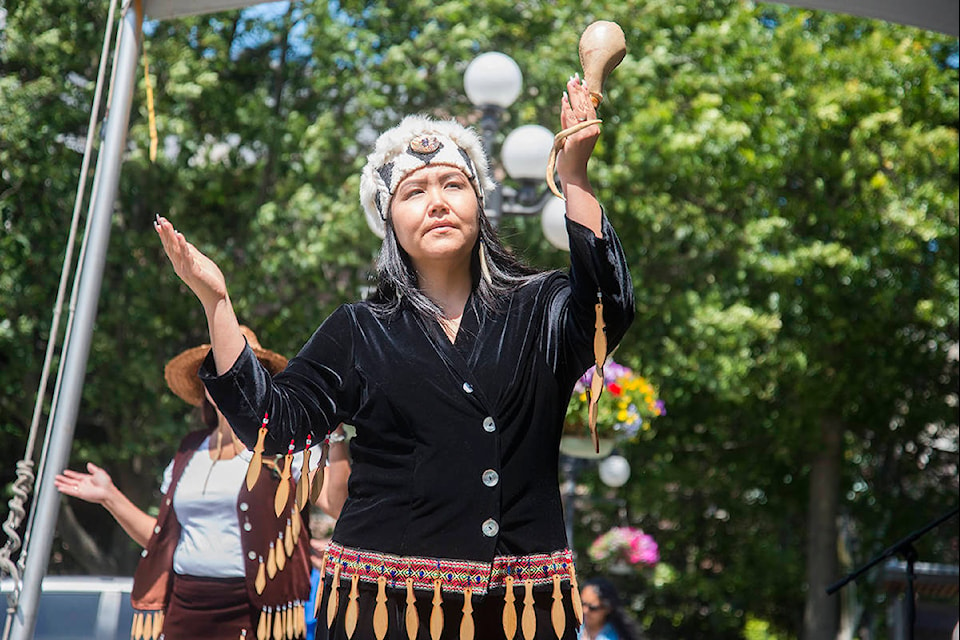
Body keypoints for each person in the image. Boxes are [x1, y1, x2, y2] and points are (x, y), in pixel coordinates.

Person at [155, 72, 634, 640]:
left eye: (453, 185)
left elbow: (608, 306)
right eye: (414, 192)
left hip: (521, 608)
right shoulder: (360, 328)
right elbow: (273, 426)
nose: (436, 203)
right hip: (383, 609)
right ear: (389, 220)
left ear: (479, 203)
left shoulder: (539, 306)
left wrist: (573, 175)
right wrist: (218, 301)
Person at [55, 327, 319, 640]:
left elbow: (332, 498)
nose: (226, 378)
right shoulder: (190, 450)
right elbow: (162, 540)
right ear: (206, 386)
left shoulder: (283, 446)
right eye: (217, 370)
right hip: (185, 606)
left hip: (257, 611)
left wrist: (337, 429)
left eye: (236, 368)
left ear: (258, 378)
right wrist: (110, 496)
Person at [577, 577, 642, 640]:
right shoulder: (573, 629)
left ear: (608, 609)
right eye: (582, 604)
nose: (584, 610)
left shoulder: (616, 636)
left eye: (592, 608)